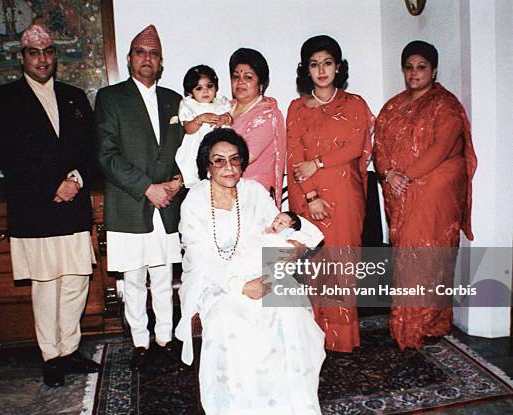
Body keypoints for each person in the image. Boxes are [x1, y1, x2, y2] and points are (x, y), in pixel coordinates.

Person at [176, 128, 325, 415]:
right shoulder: (194, 201)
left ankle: (286, 403)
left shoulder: (254, 191)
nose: (228, 167)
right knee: (228, 320)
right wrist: (241, 287)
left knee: (288, 311)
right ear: (206, 167)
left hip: (261, 270)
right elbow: (202, 259)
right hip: (214, 281)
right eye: (218, 161)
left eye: (235, 159)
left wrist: (294, 248)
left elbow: (282, 229)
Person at [0, 24, 99, 387]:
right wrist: (55, 185)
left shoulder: (75, 96)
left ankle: (69, 349)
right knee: (47, 284)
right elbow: (10, 156)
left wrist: (76, 180)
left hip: (73, 205)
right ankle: (51, 356)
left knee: (76, 281)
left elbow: (90, 149)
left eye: (48, 51)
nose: (42, 59)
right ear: (22, 57)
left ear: (55, 55)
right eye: (34, 53)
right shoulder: (3, 98)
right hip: (36, 207)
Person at [374, 40, 477, 350]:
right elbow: (379, 146)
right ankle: (407, 323)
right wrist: (389, 174)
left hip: (432, 197)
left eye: (421, 67)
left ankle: (429, 323)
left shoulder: (445, 105)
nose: (414, 73)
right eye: (409, 67)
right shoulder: (392, 106)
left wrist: (407, 176)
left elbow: (442, 148)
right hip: (400, 190)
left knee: (430, 258)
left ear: (434, 70)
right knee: (406, 256)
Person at [95, 25, 184, 370]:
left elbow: (188, 150)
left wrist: (178, 182)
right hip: (130, 203)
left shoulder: (174, 100)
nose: (147, 59)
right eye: (140, 52)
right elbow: (106, 154)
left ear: (161, 62)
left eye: (153, 54)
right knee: (133, 281)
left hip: (168, 205)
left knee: (163, 278)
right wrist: (148, 187)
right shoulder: (110, 98)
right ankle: (141, 344)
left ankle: (164, 340)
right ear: (130, 59)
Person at [286, 35, 373, 353]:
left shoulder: (355, 105)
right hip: (308, 198)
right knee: (315, 267)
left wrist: (317, 162)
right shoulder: (296, 108)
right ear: (305, 70)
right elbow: (294, 155)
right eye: (313, 64)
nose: (321, 70)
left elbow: (354, 146)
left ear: (338, 67)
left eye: (326, 62)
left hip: (346, 197)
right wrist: (310, 196)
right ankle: (313, 340)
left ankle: (340, 341)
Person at [229, 48, 286, 209]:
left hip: (253, 199)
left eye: (248, 77)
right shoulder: (223, 109)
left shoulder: (268, 114)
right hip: (222, 196)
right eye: (235, 76)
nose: (240, 82)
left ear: (261, 83)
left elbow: (244, 156)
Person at [176, 65, 232, 188]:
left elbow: (230, 118)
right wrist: (199, 119)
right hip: (197, 145)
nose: (205, 91)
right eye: (199, 88)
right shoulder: (189, 105)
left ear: (216, 88)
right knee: (196, 169)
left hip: (219, 145)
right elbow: (188, 129)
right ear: (191, 92)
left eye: (209, 86)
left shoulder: (220, 103)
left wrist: (224, 119)